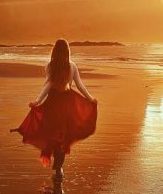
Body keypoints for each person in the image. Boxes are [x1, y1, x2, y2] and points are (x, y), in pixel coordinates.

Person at [11, 39, 98, 181]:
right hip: (67, 104)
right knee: (62, 137)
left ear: (54, 51)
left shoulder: (51, 66)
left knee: (53, 135)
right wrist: (90, 98)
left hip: (53, 103)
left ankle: (58, 166)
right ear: (67, 51)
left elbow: (48, 85)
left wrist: (38, 100)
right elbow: (79, 85)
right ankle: (59, 167)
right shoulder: (71, 66)